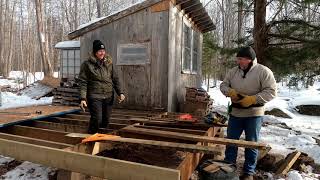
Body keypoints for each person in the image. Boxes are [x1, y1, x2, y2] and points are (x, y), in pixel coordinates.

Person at [220, 46, 277, 180]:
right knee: (231, 141)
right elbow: (223, 85)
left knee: (251, 143)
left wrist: (253, 99)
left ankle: (248, 172)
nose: (238, 62)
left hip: (254, 114)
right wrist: (230, 92)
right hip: (235, 113)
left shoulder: (263, 71)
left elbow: (271, 92)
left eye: (241, 59)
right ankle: (229, 167)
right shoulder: (233, 72)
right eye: (238, 59)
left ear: (250, 60)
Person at [78, 40, 125, 134]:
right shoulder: (87, 65)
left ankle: (101, 139)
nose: (102, 52)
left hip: (108, 96)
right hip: (95, 96)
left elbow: (115, 78)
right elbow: (83, 81)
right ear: (95, 52)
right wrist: (83, 98)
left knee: (105, 120)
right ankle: (91, 136)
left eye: (103, 50)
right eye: (99, 51)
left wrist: (120, 92)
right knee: (97, 119)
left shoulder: (109, 63)